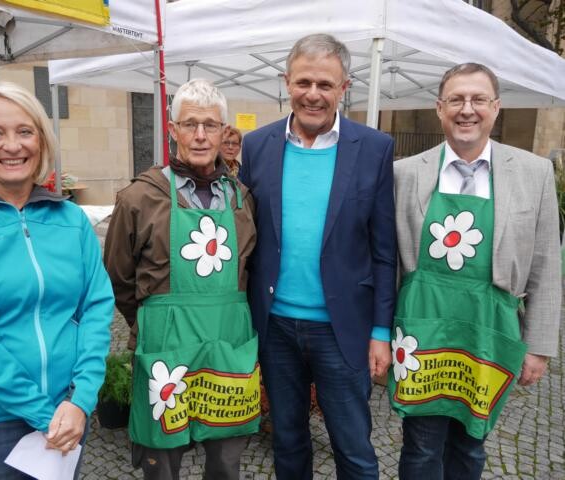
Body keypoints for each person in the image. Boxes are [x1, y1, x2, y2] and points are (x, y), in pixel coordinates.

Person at [0, 79, 114, 479]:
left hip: (68, 414)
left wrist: (80, 401)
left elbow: (96, 310)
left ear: (42, 141)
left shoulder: (71, 219)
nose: (12, 146)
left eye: (25, 131)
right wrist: (46, 414)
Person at [391, 62, 561, 480]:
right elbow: (387, 260)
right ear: (440, 108)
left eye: (478, 99)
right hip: (422, 328)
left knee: (470, 444)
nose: (467, 109)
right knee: (421, 444)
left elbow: (545, 264)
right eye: (456, 100)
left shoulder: (534, 172)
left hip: (490, 330)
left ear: (496, 107)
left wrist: (538, 347)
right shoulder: (404, 173)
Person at [239, 33, 396, 479]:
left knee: (353, 447)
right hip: (275, 327)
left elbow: (385, 251)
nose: (313, 94)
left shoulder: (374, 148)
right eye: (303, 82)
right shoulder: (257, 145)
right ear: (286, 82)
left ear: (344, 87)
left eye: (325, 84)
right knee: (288, 442)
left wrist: (380, 331)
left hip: (342, 327)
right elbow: (247, 235)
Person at [104, 78, 259, 480]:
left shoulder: (242, 198)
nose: (201, 135)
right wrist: (151, 320)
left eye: (210, 125)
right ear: (173, 130)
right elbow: (117, 275)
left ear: (224, 132)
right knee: (162, 458)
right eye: (190, 124)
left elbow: (250, 271)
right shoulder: (139, 198)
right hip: (166, 345)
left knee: (226, 458)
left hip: (228, 342)